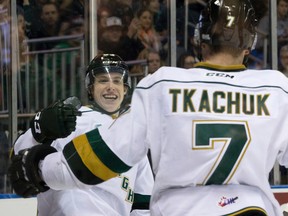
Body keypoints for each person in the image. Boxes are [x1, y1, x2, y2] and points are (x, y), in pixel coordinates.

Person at [9, 0, 288, 215]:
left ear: (198, 39)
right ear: (249, 46)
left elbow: (101, 157)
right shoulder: (277, 88)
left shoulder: (164, 84)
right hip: (252, 207)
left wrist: (39, 169)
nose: (110, 87)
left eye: (117, 80)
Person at [11, 54, 154, 216]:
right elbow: (18, 159)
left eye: (117, 81)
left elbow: (143, 204)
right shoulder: (69, 120)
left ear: (125, 89)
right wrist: (41, 129)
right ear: (90, 88)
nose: (111, 87)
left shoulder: (133, 133)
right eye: (103, 80)